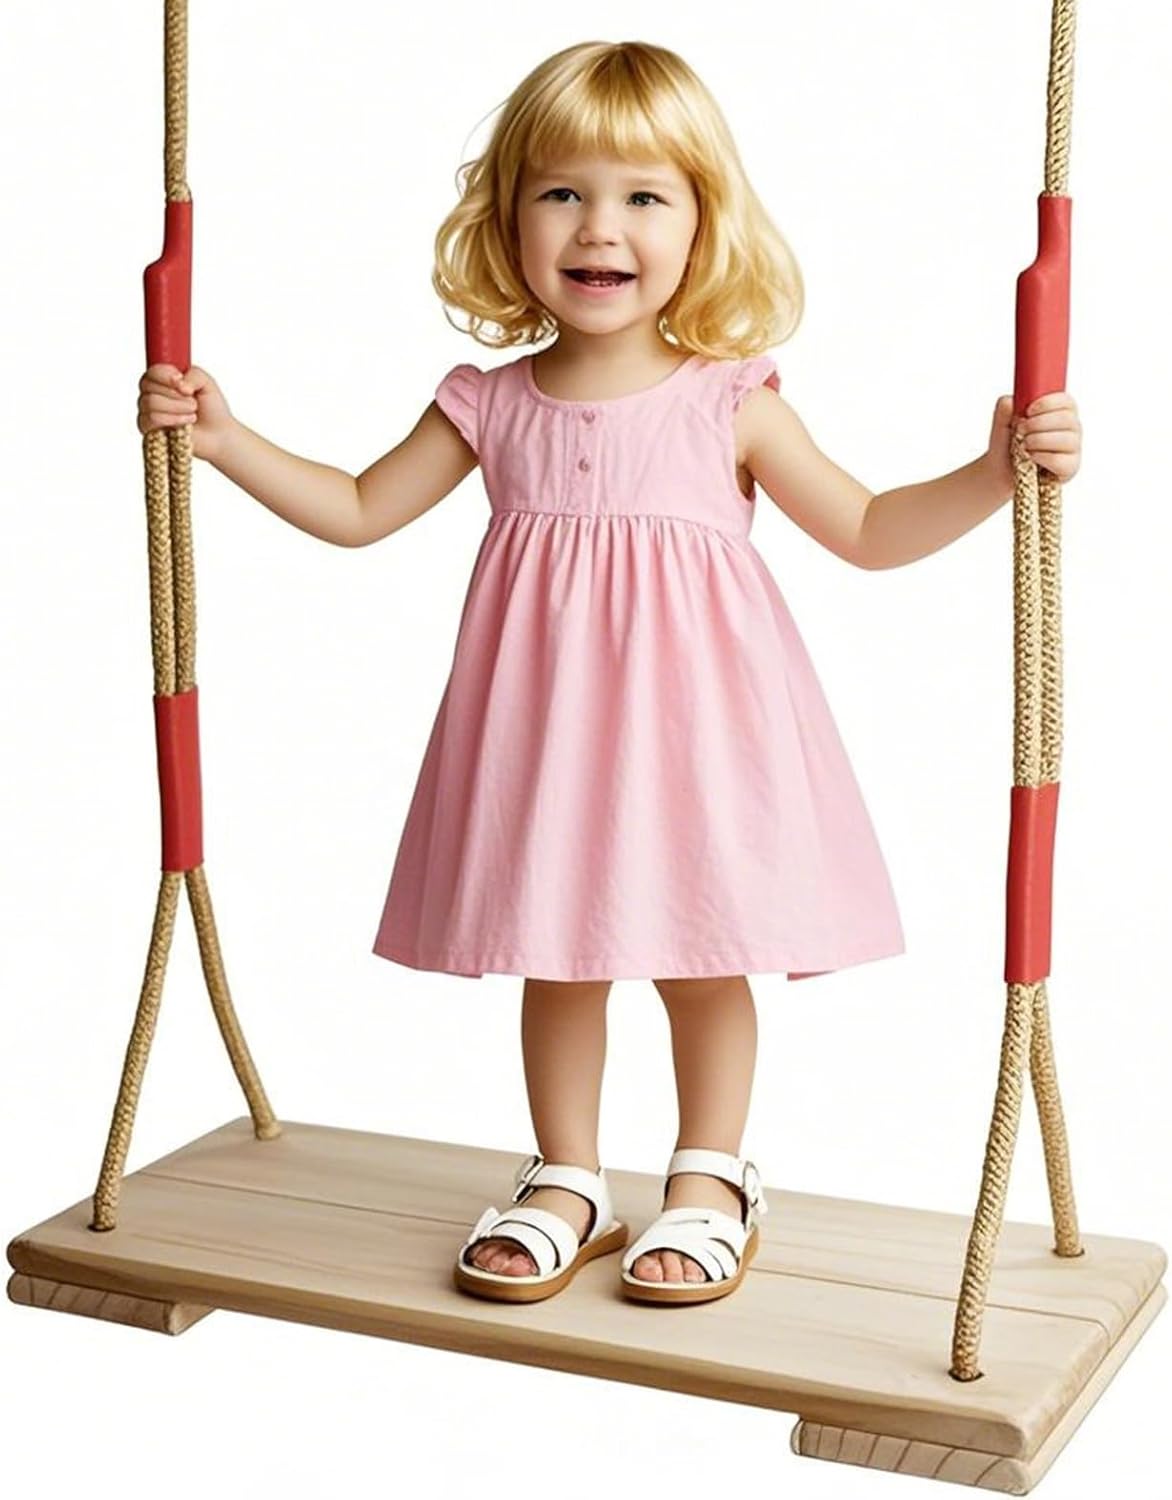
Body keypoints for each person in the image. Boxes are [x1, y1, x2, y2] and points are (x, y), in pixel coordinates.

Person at [136, 39, 1082, 1309]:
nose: (599, 226)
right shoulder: (489, 403)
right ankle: (567, 1175)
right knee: (559, 953)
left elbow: (864, 529)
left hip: (696, 741)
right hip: (547, 740)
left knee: (703, 953)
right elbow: (358, 509)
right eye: (561, 192)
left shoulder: (728, 401)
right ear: (508, 219)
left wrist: (991, 473)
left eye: (643, 195)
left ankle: (709, 1175)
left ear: (700, 222)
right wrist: (225, 439)